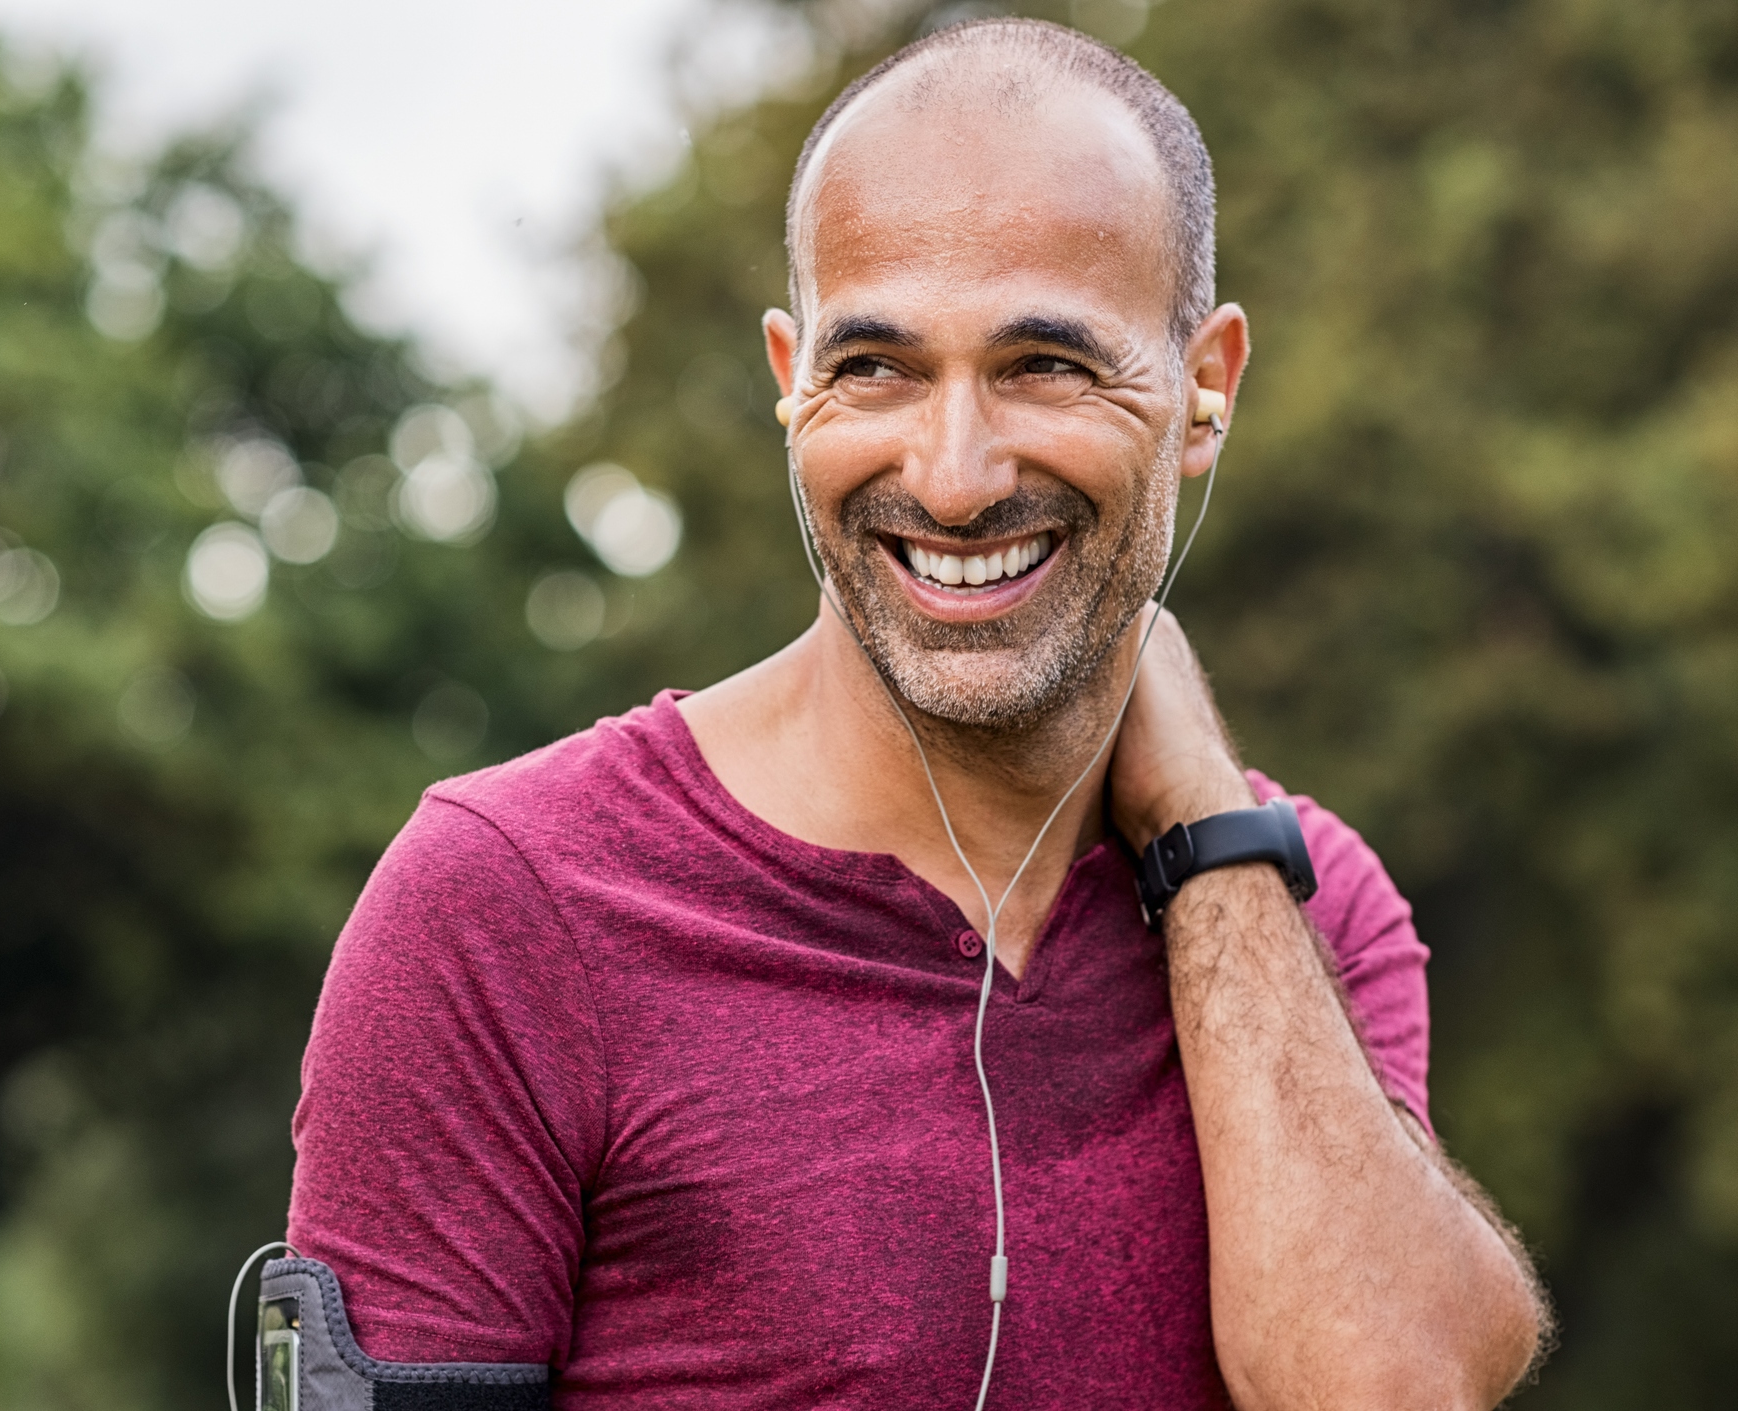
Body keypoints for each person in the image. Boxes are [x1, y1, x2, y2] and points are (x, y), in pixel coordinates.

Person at [278, 17, 1549, 1409]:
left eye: (1044, 366)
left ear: (1204, 388)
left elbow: (1386, 1390)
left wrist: (1198, 828)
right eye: (873, 367)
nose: (950, 477)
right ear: (788, 380)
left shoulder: (1299, 902)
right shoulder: (505, 907)